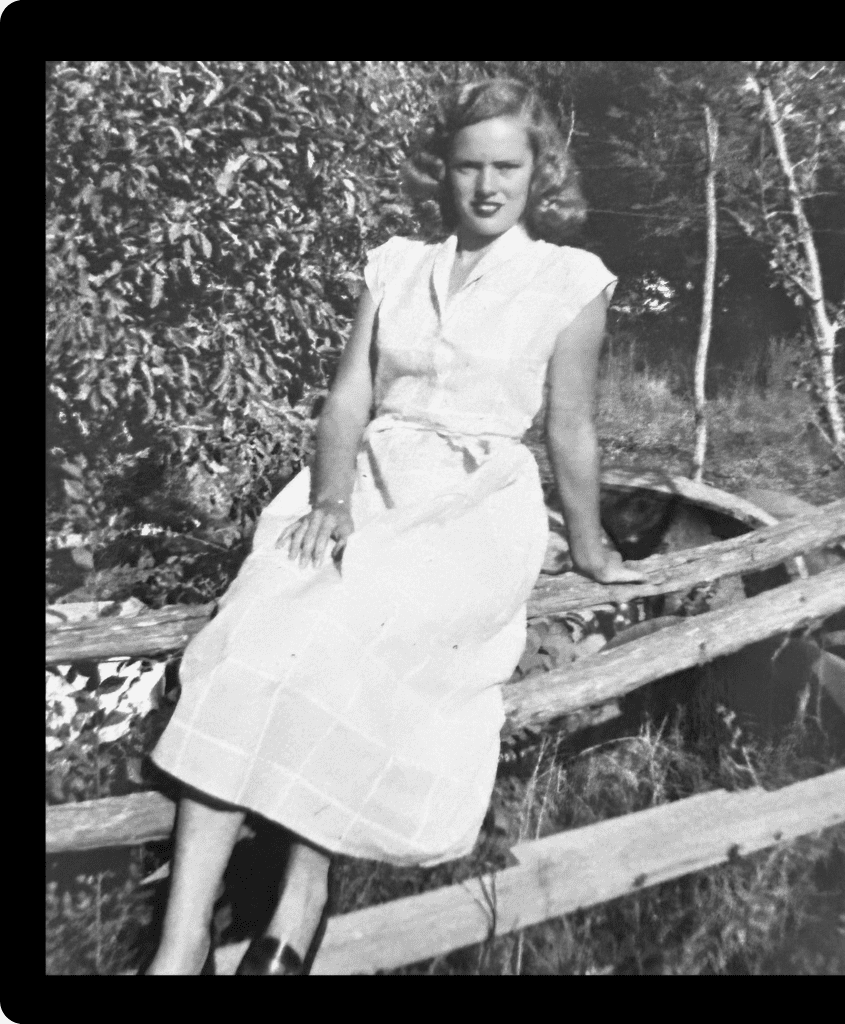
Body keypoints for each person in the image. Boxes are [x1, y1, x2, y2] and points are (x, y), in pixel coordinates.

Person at [145, 77, 644, 976]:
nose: (487, 186)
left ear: (540, 171)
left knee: (355, 626)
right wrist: (330, 502)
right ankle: (178, 947)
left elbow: (571, 425)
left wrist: (595, 545)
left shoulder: (570, 281)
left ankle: (304, 888)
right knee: (260, 626)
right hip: (366, 478)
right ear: (442, 173)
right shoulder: (396, 263)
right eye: (468, 167)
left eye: (507, 166)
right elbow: (346, 400)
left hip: (474, 505)